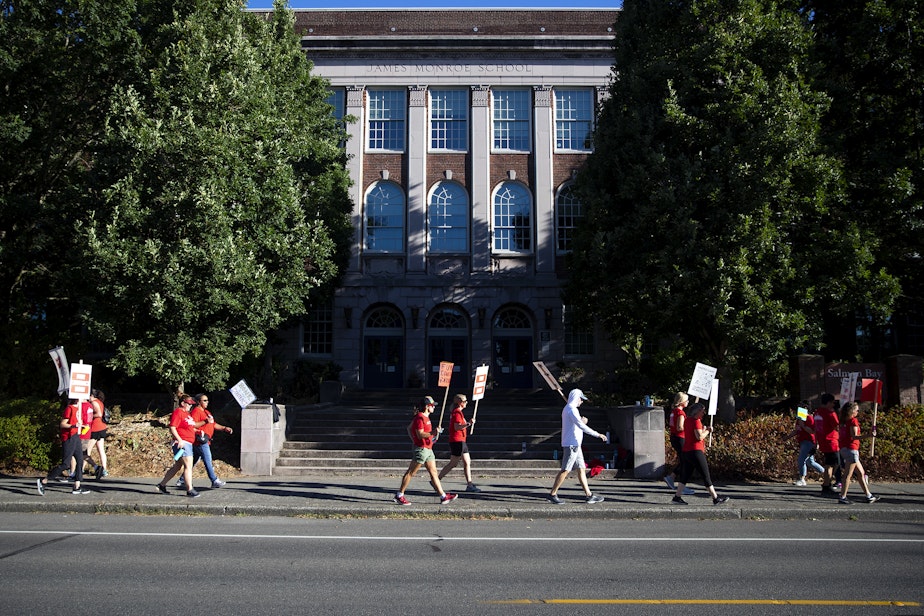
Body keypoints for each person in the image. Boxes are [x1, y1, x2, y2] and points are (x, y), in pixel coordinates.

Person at [393, 396, 458, 506]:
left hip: (428, 448)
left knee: (434, 473)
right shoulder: (420, 417)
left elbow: (409, 428)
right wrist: (431, 433)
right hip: (421, 449)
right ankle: (399, 495)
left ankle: (443, 496)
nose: (434, 407)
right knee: (411, 472)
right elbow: (420, 434)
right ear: (427, 407)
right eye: (432, 406)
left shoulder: (425, 417)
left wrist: (432, 436)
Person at [548, 389, 607, 505]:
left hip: (575, 444)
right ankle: (552, 494)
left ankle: (589, 495)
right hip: (572, 445)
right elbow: (580, 425)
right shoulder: (571, 410)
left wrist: (581, 421)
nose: (582, 401)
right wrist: (597, 434)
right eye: (581, 399)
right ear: (576, 398)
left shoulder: (569, 409)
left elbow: (575, 425)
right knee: (565, 470)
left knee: (581, 469)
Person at [671, 403, 729, 505]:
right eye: (702, 411)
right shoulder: (696, 421)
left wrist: (703, 429)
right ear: (697, 412)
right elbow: (699, 437)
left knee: (685, 475)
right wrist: (707, 430)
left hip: (686, 451)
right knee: (705, 475)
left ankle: (677, 496)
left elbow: (692, 433)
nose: (703, 413)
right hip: (696, 451)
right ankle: (715, 498)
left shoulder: (687, 420)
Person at [37, 398, 93, 495]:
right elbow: (63, 424)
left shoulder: (78, 408)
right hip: (69, 437)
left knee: (80, 460)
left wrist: (81, 426)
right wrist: (74, 425)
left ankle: (77, 486)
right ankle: (44, 480)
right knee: (66, 464)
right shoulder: (70, 408)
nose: (85, 398)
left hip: (76, 436)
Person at [177, 394, 232, 490]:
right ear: (198, 402)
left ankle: (182, 480)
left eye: (207, 400)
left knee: (193, 461)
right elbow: (192, 425)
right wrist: (204, 424)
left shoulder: (207, 412)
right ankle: (214, 480)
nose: (207, 402)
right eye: (204, 400)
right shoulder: (196, 412)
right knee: (208, 460)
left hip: (206, 440)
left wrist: (224, 428)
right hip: (200, 441)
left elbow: (213, 424)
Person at [155, 395, 200, 498]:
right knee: (188, 466)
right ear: (183, 403)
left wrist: (198, 432)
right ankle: (190, 489)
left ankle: (162, 485)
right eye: (189, 404)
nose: (190, 406)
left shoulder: (187, 414)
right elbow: (173, 427)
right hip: (183, 442)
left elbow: (189, 427)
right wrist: (179, 440)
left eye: (191, 404)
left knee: (177, 466)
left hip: (187, 441)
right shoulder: (178, 412)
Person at [437, 393, 481, 493]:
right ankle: (437, 479)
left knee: (466, 461)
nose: (466, 403)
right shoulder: (457, 413)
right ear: (460, 403)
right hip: (458, 440)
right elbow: (457, 427)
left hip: (460, 440)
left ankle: (469, 484)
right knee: (453, 463)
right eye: (465, 401)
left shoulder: (457, 412)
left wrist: (467, 424)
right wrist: (469, 423)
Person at [837, 402, 879, 504]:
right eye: (856, 410)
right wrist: (869, 435)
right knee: (848, 474)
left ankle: (868, 495)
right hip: (852, 449)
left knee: (861, 473)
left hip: (844, 448)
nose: (858, 412)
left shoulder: (843, 421)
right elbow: (854, 436)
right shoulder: (853, 421)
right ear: (852, 411)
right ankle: (843, 497)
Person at [663, 392, 694, 495]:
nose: (688, 402)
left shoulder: (674, 411)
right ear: (682, 402)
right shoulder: (681, 413)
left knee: (684, 460)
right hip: (680, 438)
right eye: (687, 400)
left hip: (674, 437)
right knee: (686, 461)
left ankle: (672, 478)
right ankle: (680, 484)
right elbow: (680, 427)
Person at [790, 399, 824, 486]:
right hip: (802, 441)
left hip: (808, 441)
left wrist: (803, 425)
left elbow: (812, 431)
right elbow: (797, 430)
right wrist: (787, 437)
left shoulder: (809, 418)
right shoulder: (799, 419)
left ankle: (802, 479)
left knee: (801, 459)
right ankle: (826, 472)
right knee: (810, 462)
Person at [815, 393, 840, 496]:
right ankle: (827, 484)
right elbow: (837, 426)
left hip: (822, 441)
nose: (834, 405)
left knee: (829, 464)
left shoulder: (817, 413)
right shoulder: (830, 413)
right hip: (831, 441)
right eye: (833, 402)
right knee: (834, 464)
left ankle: (826, 483)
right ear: (829, 402)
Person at [84, 389, 109, 480]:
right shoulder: (100, 402)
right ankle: (104, 469)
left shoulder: (94, 402)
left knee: (87, 450)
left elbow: (98, 414)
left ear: (92, 396)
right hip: (102, 427)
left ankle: (82, 469)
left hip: (96, 428)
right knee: (101, 450)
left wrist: (88, 416)